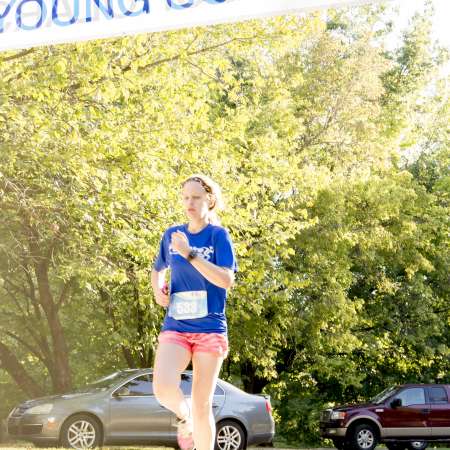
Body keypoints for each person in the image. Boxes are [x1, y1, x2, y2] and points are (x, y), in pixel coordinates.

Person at [151, 174, 237, 450]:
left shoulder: (218, 236)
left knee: (202, 405)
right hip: (176, 324)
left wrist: (190, 254)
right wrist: (158, 290)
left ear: (209, 200)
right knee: (163, 388)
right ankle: (183, 414)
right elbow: (157, 269)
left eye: (196, 197)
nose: (190, 202)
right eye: (186, 197)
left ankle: (195, 423)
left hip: (210, 329)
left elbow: (225, 280)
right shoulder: (172, 235)